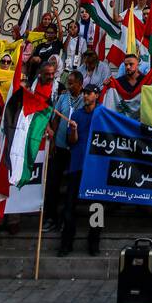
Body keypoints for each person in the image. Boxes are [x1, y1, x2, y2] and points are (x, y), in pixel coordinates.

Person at [58, 83, 102, 257]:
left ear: (96, 95)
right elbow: (72, 140)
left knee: (97, 207)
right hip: (77, 164)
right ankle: (66, 243)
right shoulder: (76, 114)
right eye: (84, 93)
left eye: (89, 93)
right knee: (70, 207)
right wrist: (74, 130)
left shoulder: (102, 114)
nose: (85, 96)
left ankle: (94, 242)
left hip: (95, 168)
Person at [43, 69, 84, 232]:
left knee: (72, 187)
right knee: (53, 183)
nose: (69, 85)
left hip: (75, 150)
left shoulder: (84, 99)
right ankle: (50, 218)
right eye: (68, 82)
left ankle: (66, 219)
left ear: (80, 84)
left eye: (72, 83)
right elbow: (55, 119)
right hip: (59, 147)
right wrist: (52, 139)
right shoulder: (62, 98)